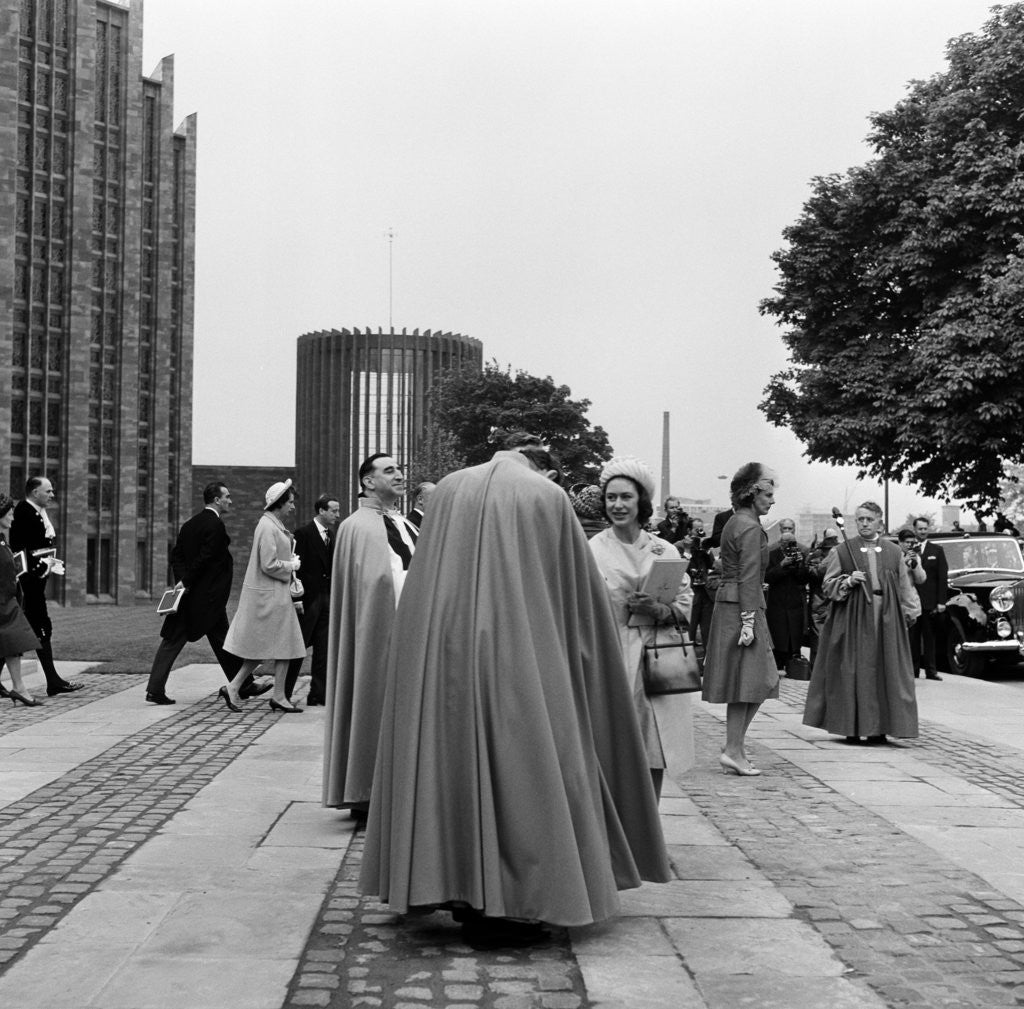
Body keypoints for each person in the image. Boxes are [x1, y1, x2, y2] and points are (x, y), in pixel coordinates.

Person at [359, 441, 670, 949]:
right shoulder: (546, 496)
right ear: (542, 465)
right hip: (520, 650)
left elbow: (423, 583)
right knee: (525, 769)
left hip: (445, 650)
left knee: (447, 764)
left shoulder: (448, 492)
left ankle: (449, 884)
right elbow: (576, 599)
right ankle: (515, 899)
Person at [589, 457, 694, 800]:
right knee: (609, 748)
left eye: (626, 498)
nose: (617, 505)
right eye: (611, 498)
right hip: (611, 657)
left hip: (656, 659)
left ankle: (650, 839)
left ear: (641, 503)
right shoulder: (591, 550)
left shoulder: (663, 549)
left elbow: (686, 602)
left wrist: (659, 609)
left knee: (654, 746)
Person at [323, 453, 417, 821]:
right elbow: (379, 583)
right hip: (379, 637)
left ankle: (401, 791)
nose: (399, 475)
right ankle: (367, 792)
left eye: (399, 469)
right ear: (367, 482)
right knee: (372, 702)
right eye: (389, 470)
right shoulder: (358, 527)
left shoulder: (403, 523)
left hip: (407, 633)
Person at [803, 502, 921, 744]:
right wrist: (847, 580)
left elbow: (905, 587)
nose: (864, 523)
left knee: (885, 670)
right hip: (853, 619)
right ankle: (853, 726)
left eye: (869, 519)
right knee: (856, 670)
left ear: (879, 521)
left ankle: (880, 728)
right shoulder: (843, 550)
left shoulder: (893, 551)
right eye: (860, 519)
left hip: (886, 618)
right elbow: (827, 585)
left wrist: (908, 614)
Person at [145, 481, 270, 705]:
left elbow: (177, 557)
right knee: (193, 640)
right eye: (228, 496)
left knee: (186, 640)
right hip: (207, 599)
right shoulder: (215, 526)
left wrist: (183, 582)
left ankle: (244, 684)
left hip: (190, 597)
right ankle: (243, 684)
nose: (230, 500)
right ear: (216, 500)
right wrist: (187, 581)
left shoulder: (189, 525)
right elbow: (207, 558)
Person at [700, 463, 779, 776]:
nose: (772, 500)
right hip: (742, 607)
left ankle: (735, 744)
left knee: (749, 681)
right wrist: (748, 621)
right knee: (752, 681)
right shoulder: (748, 526)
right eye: (768, 494)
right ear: (752, 492)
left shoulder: (737, 521)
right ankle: (733, 748)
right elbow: (748, 576)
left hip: (734, 603)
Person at [220, 481, 306, 712]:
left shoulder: (272, 524)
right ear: (278, 504)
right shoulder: (267, 526)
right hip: (271, 598)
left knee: (276, 647)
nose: (293, 507)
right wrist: (291, 564)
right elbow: (268, 564)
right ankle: (274, 695)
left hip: (274, 596)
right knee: (284, 646)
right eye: (289, 502)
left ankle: (238, 687)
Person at [9, 477, 82, 697]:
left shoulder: (37, 512)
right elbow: (22, 552)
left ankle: (53, 681)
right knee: (37, 628)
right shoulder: (24, 512)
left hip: (35, 583)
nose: (52, 495)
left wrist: (49, 564)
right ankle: (53, 681)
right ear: (34, 492)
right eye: (48, 491)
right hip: (29, 586)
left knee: (26, 631)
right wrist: (42, 566)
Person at [284, 494, 340, 707]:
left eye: (337, 510)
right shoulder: (303, 534)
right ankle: (284, 693)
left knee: (323, 649)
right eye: (333, 510)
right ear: (321, 511)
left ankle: (318, 694)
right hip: (308, 600)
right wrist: (296, 598)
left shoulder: (332, 535)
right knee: (298, 647)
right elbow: (295, 568)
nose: (337, 514)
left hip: (327, 599)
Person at [0, 494, 43, 706]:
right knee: (14, 640)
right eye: (9, 514)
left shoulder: (1, 538)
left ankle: (19, 688)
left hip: (8, 600)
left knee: (14, 643)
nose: (12, 519)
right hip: (3, 603)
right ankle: (19, 688)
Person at [765, 518, 810, 672]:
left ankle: (793, 664)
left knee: (794, 634)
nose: (789, 546)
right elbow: (767, 577)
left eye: (792, 542)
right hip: (777, 601)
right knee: (778, 635)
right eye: (786, 543)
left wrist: (798, 565)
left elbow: (804, 579)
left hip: (794, 600)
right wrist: (782, 565)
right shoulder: (772, 552)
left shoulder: (802, 552)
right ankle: (777, 664)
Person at [909, 515, 947, 681]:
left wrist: (941, 602)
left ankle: (931, 671)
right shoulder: (908, 550)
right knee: (913, 638)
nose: (923, 532)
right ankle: (913, 670)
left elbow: (942, 578)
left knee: (930, 638)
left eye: (925, 529)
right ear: (915, 530)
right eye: (920, 529)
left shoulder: (937, 550)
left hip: (930, 603)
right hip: (912, 601)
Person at [807, 528, 840, 668]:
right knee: (820, 639)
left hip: (828, 601)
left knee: (824, 638)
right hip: (822, 602)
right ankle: (818, 669)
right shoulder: (821, 555)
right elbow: (814, 573)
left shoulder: (819, 555)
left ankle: (822, 669)